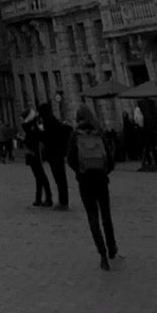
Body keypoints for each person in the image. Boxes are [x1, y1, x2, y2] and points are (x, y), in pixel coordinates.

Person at [67, 104, 119, 270]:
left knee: (92, 217)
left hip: (85, 181)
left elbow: (70, 159)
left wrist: (79, 172)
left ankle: (102, 255)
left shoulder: (75, 135)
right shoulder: (99, 132)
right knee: (106, 215)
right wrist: (105, 171)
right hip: (101, 179)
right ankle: (112, 247)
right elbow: (110, 159)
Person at [37, 100, 70, 209]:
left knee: (59, 178)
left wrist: (39, 133)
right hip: (58, 153)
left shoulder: (49, 123)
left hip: (54, 153)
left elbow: (48, 138)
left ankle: (63, 202)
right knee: (60, 178)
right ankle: (63, 200)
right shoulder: (53, 121)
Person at [22, 108, 53, 208]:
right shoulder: (33, 125)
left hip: (34, 153)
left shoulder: (33, 125)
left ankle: (48, 198)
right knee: (38, 176)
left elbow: (35, 134)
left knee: (41, 176)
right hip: (32, 153)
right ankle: (39, 198)